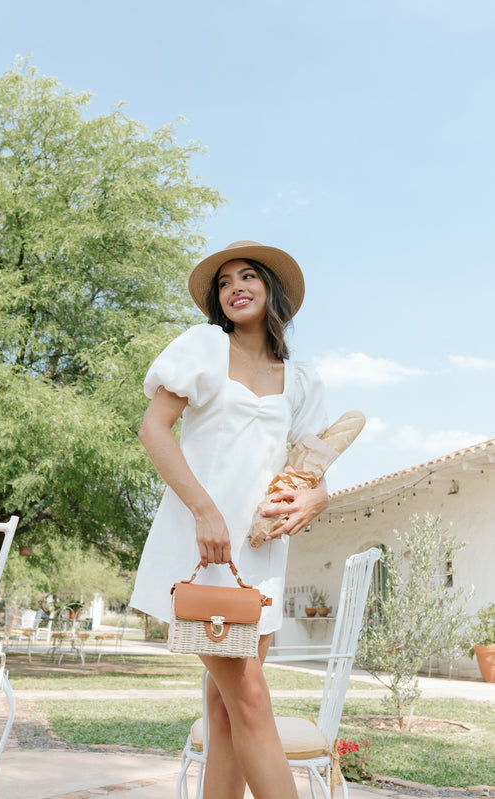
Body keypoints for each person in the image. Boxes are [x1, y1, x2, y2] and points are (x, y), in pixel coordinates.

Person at [130, 240, 329, 799]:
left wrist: (319, 498)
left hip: (259, 556)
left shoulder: (301, 379)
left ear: (272, 290)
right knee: (252, 699)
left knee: (225, 712)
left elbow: (311, 465)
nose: (235, 287)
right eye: (224, 283)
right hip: (204, 547)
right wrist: (204, 509)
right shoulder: (202, 346)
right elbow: (153, 430)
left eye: (248, 277)